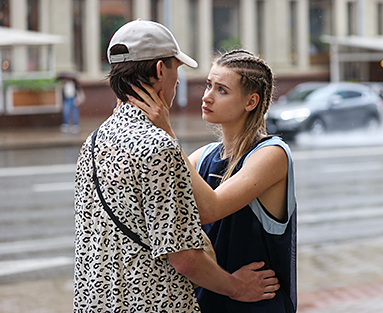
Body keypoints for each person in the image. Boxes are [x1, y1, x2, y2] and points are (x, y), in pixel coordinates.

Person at [74, 20, 279, 312]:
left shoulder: (94, 141)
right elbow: (183, 257)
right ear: (160, 70)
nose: (179, 81)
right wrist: (237, 288)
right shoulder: (159, 147)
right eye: (176, 69)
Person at [128, 49, 297, 313]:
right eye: (208, 85)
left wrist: (167, 134)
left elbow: (210, 209)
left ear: (251, 102)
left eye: (221, 90)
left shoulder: (272, 154)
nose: (207, 96)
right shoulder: (203, 156)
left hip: (258, 305)